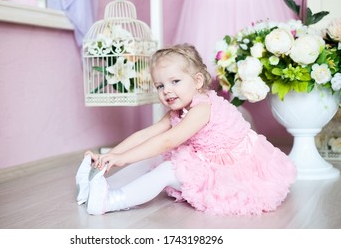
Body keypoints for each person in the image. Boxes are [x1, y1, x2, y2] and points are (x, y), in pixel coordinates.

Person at [76, 44, 297, 216]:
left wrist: (122, 158)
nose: (167, 91)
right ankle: (102, 186)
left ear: (197, 81)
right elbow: (147, 134)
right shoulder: (178, 109)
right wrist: (110, 156)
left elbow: (167, 141)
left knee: (167, 169)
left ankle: (110, 202)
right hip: (203, 160)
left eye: (175, 81)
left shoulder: (202, 109)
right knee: (148, 161)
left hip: (227, 172)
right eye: (160, 86)